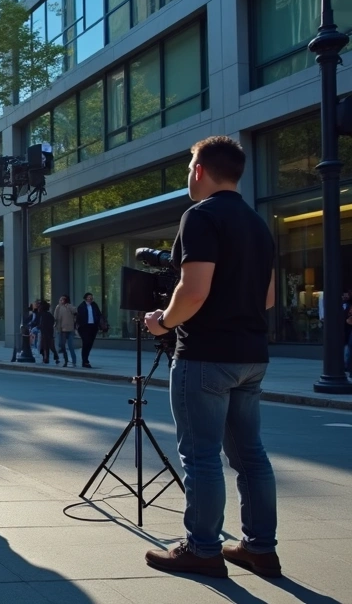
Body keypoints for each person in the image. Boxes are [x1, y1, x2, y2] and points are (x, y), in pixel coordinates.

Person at [142, 136, 280, 579]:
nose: (188, 177)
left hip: (204, 355)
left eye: (188, 170)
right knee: (251, 455)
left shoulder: (200, 216)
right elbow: (270, 297)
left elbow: (194, 289)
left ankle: (203, 549)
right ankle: (260, 548)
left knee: (200, 456)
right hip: (251, 355)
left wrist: (163, 321)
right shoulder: (259, 224)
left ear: (199, 170)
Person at [77, 292, 104, 368]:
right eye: (89, 297)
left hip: (93, 327)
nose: (90, 298)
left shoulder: (94, 305)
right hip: (84, 327)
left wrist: (100, 324)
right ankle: (84, 361)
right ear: (85, 298)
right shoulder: (81, 306)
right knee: (86, 342)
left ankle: (86, 359)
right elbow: (79, 317)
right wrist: (79, 326)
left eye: (91, 297)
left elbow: (99, 315)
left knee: (90, 344)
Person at [54, 295, 78, 367]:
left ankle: (74, 361)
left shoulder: (69, 306)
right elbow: (55, 317)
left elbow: (75, 311)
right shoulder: (58, 307)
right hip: (61, 329)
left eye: (63, 299)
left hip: (70, 329)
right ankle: (65, 360)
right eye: (60, 299)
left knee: (71, 346)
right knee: (62, 346)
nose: (61, 301)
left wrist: (69, 306)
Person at [37, 300, 59, 364]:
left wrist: (40, 327)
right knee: (48, 345)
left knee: (45, 346)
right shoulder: (47, 314)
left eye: (39, 306)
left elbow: (43, 324)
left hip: (45, 332)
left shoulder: (44, 315)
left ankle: (46, 358)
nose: (38, 308)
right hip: (48, 332)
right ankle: (52, 357)